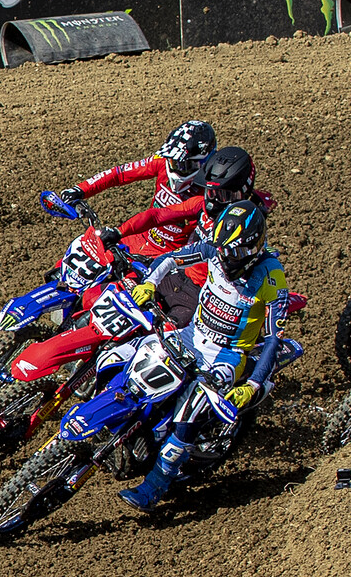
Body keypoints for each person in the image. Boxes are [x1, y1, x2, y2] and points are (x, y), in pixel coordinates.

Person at [118, 171, 290, 514]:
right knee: (131, 351)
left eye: (232, 252)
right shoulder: (216, 248)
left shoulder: (272, 277)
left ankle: (155, 485)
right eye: (222, 250)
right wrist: (150, 283)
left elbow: (274, 338)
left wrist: (253, 386)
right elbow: (171, 258)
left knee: (192, 408)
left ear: (253, 247)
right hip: (192, 333)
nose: (224, 258)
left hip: (228, 356)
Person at [56, 120, 217, 258]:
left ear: (203, 162)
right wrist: (81, 190)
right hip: (137, 236)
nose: (177, 169)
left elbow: (159, 218)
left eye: (184, 165)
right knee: (79, 256)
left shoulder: (211, 195)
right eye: (174, 162)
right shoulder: (162, 162)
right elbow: (120, 173)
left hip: (167, 258)